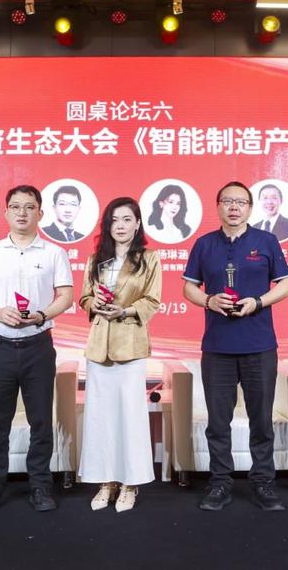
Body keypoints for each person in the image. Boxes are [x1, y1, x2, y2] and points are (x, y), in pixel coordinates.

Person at [181, 181, 288, 512]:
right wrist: (208, 300)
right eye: (227, 201)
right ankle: (220, 482)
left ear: (250, 208)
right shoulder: (204, 244)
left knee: (261, 420)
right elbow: (189, 288)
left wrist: (258, 302)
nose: (234, 207)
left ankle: (263, 482)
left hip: (259, 345)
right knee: (218, 422)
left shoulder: (266, 241)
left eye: (240, 202)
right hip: (217, 347)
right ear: (218, 206)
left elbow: (286, 285)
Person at [0, 184, 74, 513]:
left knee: (40, 421)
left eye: (29, 207)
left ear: (40, 213)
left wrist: (43, 314)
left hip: (38, 347)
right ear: (6, 212)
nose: (22, 213)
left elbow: (66, 296)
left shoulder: (54, 253)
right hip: (0, 346)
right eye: (15, 207)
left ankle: (40, 485)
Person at [78, 197, 162, 512]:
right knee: (100, 417)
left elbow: (152, 300)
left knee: (130, 417)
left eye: (127, 219)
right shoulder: (95, 259)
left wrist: (124, 310)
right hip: (99, 346)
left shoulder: (149, 259)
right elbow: (84, 297)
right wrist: (94, 304)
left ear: (137, 224)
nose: (121, 226)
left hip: (130, 346)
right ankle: (106, 482)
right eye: (114, 220)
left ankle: (130, 483)